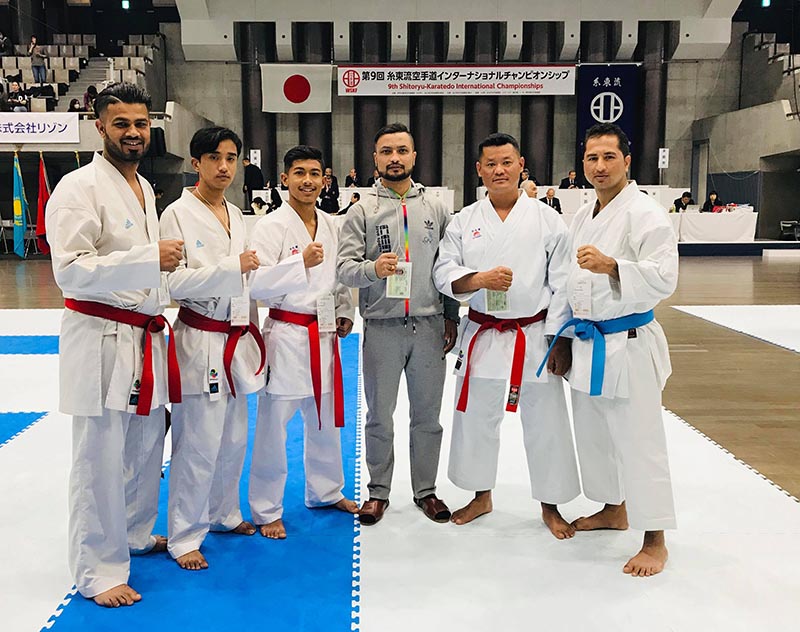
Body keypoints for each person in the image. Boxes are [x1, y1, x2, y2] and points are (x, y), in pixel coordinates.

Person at [46, 82, 184, 607]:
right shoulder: (77, 188)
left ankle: (134, 533)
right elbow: (70, 271)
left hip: (143, 334)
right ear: (99, 126)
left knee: (146, 447)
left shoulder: (145, 189)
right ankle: (98, 570)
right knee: (99, 456)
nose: (133, 132)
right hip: (101, 336)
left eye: (141, 123)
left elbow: (153, 268)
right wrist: (149, 260)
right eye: (121, 123)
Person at [432, 133, 580, 537]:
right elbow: (443, 272)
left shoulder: (548, 219)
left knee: (546, 421)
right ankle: (482, 495)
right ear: (479, 170)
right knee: (475, 418)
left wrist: (559, 338)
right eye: (490, 164)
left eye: (506, 162)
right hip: (482, 331)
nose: (499, 170)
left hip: (533, 334)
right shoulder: (464, 221)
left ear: (521, 165)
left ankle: (550, 505)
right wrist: (477, 279)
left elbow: (564, 280)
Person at [547, 122, 677, 577]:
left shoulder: (646, 215)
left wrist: (613, 267)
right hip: (587, 340)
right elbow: (565, 280)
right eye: (591, 158)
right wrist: (559, 337)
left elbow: (664, 278)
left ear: (627, 160)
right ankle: (613, 507)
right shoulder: (583, 214)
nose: (599, 167)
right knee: (595, 435)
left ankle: (655, 539)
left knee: (640, 442)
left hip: (630, 343)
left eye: (608, 157)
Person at [338, 122, 459, 525]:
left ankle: (426, 490)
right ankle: (378, 492)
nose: (394, 158)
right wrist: (373, 268)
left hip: (427, 326)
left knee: (427, 416)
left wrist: (451, 315)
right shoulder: (361, 211)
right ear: (375, 158)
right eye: (386, 151)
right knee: (378, 415)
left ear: (413, 156)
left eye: (402, 151)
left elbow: (449, 268)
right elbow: (344, 269)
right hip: (382, 327)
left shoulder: (436, 209)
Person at [160, 126, 265, 571]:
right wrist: (229, 268)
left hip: (235, 335)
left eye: (231, 157)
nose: (224, 166)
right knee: (198, 441)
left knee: (234, 437)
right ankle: (184, 536)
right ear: (196, 162)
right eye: (214, 158)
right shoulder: (177, 214)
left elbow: (246, 283)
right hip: (199, 337)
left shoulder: (238, 215)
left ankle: (224, 513)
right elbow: (172, 282)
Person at [248, 145, 358, 539]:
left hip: (324, 334)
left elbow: (340, 277)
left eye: (315, 173)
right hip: (287, 336)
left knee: (325, 420)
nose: (308, 180)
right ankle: (266, 509)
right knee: (273, 428)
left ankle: (326, 491)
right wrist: (299, 265)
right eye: (299, 173)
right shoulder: (270, 226)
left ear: (325, 180)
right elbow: (255, 283)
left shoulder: (331, 224)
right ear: (285, 179)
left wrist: (345, 310)